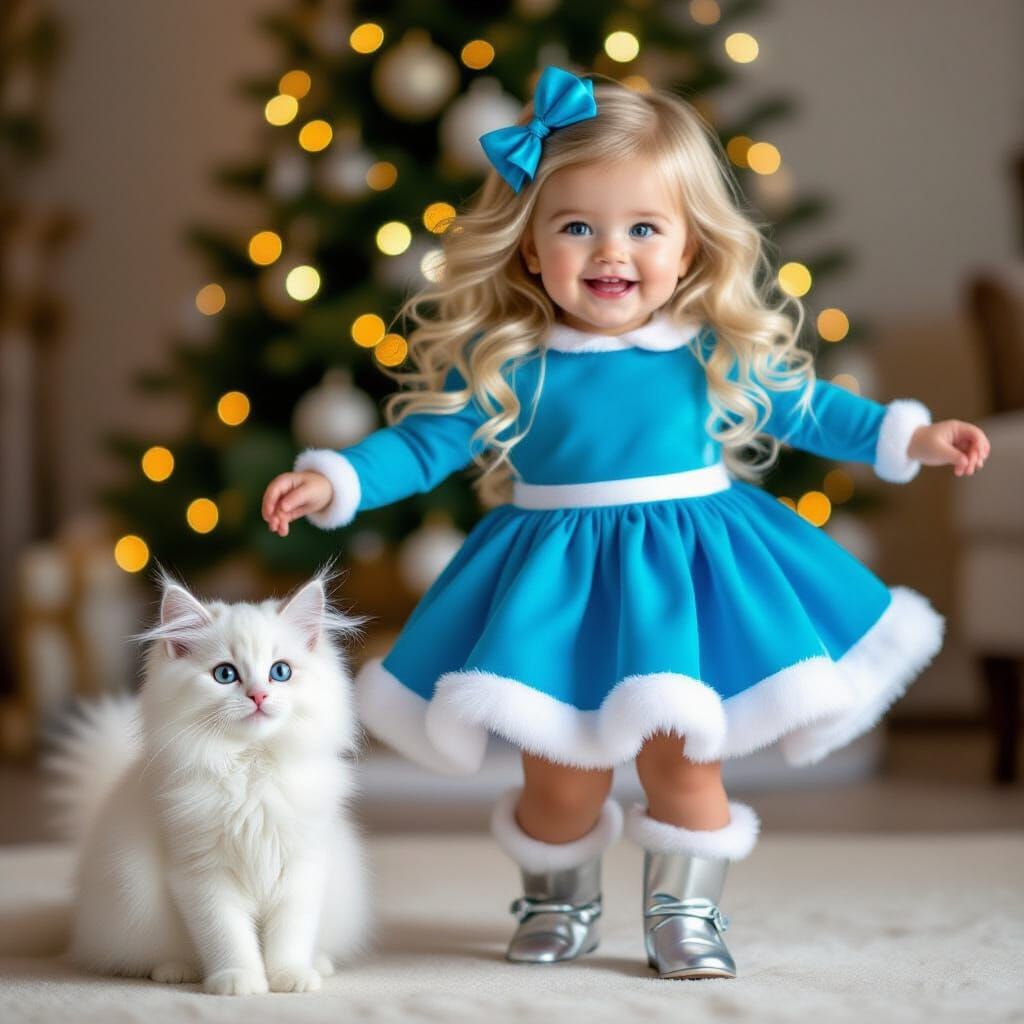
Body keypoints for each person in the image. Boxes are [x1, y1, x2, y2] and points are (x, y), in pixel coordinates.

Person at [261, 66, 990, 980]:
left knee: (685, 759)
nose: (613, 253)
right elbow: (426, 444)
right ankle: (556, 896)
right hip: (559, 586)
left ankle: (684, 912)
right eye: (578, 228)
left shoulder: (706, 350)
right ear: (529, 248)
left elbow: (807, 408)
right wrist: (338, 480)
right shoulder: (515, 362)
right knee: (560, 778)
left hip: (689, 574)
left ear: (689, 248)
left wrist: (910, 436)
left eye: (644, 228)